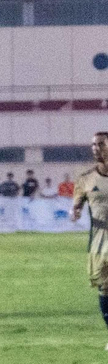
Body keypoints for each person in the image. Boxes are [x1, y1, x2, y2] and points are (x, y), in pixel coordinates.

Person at [71, 132, 108, 349]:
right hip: (99, 239)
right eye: (93, 144)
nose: (96, 148)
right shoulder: (85, 179)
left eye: (101, 144)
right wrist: (74, 211)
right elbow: (76, 204)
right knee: (104, 287)